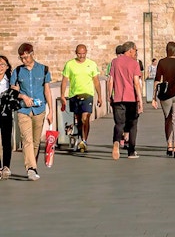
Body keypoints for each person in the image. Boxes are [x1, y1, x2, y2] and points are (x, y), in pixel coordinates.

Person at [10, 43, 53, 181]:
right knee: (26, 140)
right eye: (21, 58)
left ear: (32, 54)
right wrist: (23, 96)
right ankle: (30, 168)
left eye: (26, 57)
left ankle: (33, 166)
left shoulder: (43, 70)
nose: (24, 60)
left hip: (39, 110)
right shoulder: (17, 71)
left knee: (35, 142)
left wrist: (51, 111)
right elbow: (13, 88)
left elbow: (47, 91)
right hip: (23, 109)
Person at [60, 44, 102, 152]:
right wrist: (62, 95)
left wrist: (100, 96)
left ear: (86, 52)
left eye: (83, 54)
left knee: (85, 118)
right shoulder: (70, 64)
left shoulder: (91, 64)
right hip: (74, 95)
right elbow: (64, 80)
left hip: (88, 94)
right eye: (79, 54)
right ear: (76, 53)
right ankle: (79, 139)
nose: (82, 56)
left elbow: (96, 81)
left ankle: (84, 140)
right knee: (78, 120)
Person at [107, 41, 143, 160]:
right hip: (131, 98)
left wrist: (109, 95)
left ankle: (116, 141)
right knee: (132, 124)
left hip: (118, 98)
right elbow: (136, 83)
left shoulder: (115, 62)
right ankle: (131, 151)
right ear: (130, 50)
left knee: (119, 123)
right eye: (136, 51)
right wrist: (140, 101)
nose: (136, 53)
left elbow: (110, 80)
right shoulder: (134, 64)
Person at [0, 55, 14, 180]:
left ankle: (6, 166)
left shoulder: (10, 80)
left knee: (6, 141)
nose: (0, 67)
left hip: (6, 113)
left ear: (7, 67)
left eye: (2, 65)